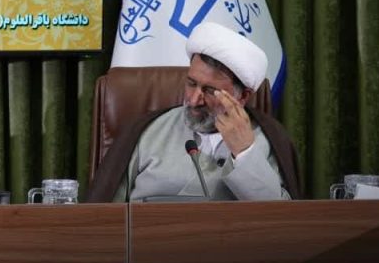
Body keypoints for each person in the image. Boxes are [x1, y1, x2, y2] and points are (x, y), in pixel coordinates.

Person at [91, 22, 302, 201]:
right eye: (191, 83)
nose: (193, 100)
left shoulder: (265, 140)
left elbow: (282, 220)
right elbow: (107, 216)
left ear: (243, 96)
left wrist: (245, 153)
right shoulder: (148, 132)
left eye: (210, 91)